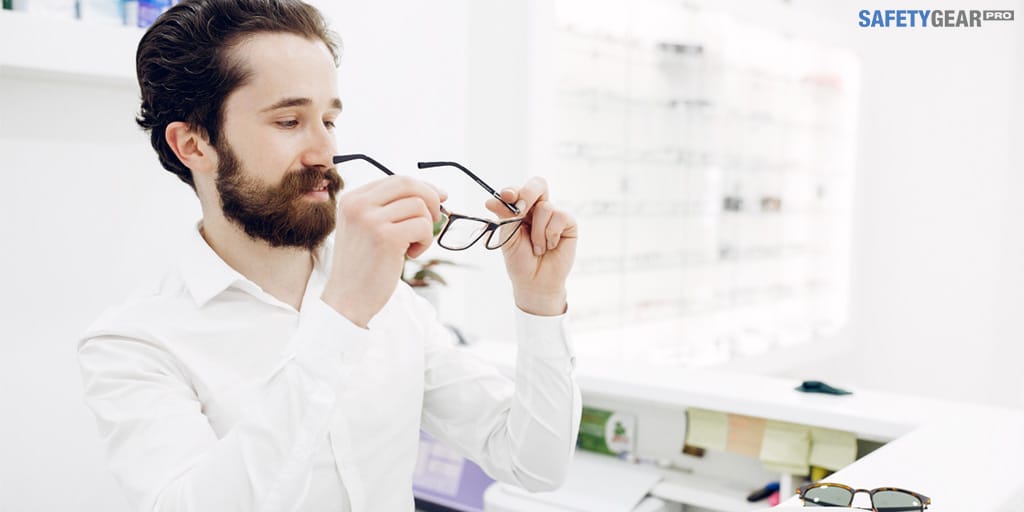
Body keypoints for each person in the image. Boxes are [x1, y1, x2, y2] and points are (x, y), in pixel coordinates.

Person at [77, 1, 582, 510]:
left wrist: (540, 301)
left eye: (329, 119)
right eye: (290, 120)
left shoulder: (393, 302)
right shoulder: (133, 345)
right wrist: (341, 315)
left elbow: (534, 465)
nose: (325, 151)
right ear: (193, 144)